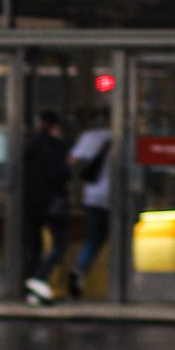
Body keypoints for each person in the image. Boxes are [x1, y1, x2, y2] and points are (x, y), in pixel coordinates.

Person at [21, 109, 71, 305]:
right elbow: (62, 174)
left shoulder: (30, 146)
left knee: (34, 247)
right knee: (60, 244)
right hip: (52, 202)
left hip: (31, 202)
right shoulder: (57, 146)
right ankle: (39, 278)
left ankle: (33, 293)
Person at [64, 108, 112, 300]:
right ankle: (124, 282)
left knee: (93, 239)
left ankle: (80, 269)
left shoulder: (89, 137)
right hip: (119, 198)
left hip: (93, 196)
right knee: (121, 241)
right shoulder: (128, 135)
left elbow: (70, 162)